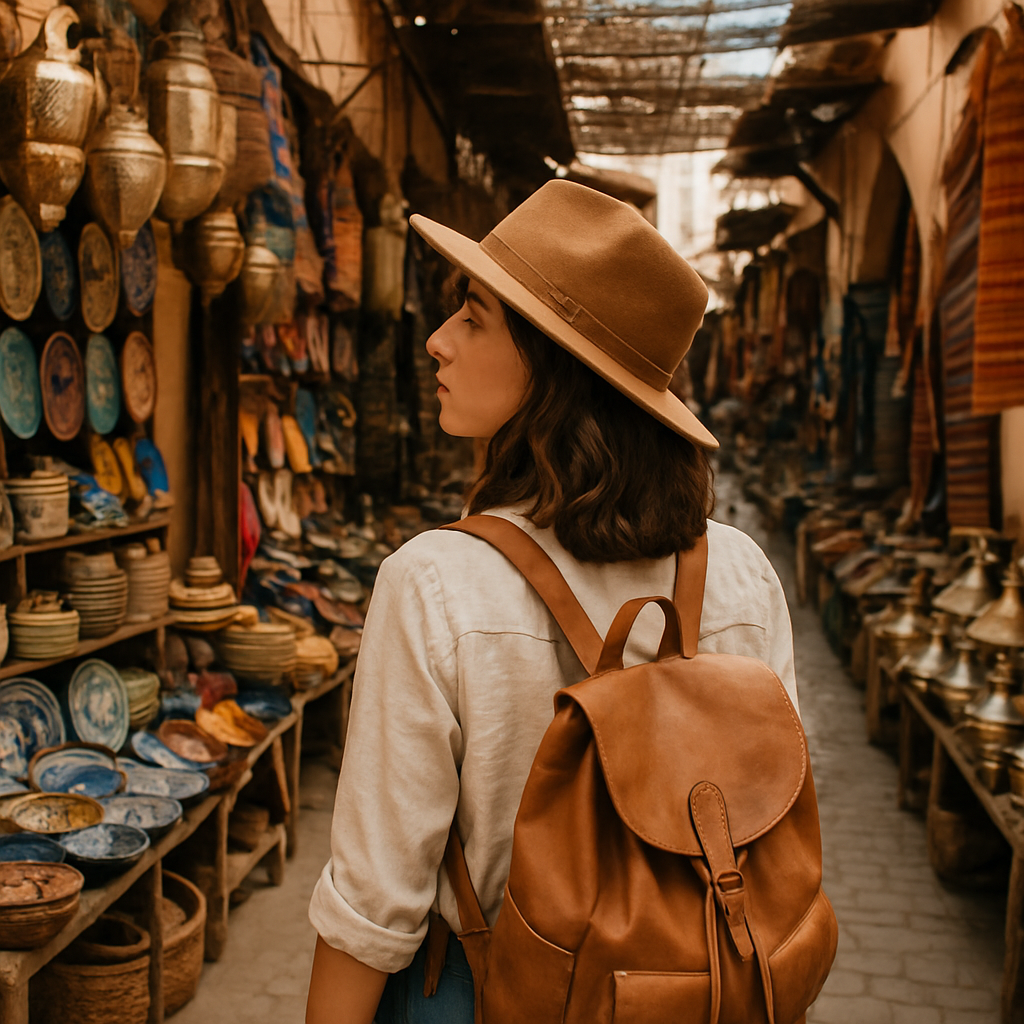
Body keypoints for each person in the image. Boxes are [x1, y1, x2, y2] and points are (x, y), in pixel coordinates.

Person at [305, 179, 797, 1024]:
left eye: (473, 317)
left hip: (488, 991)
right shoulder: (744, 577)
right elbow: (769, 827)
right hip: (692, 993)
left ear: (556, 370)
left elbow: (373, 903)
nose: (435, 342)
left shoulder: (433, 583)